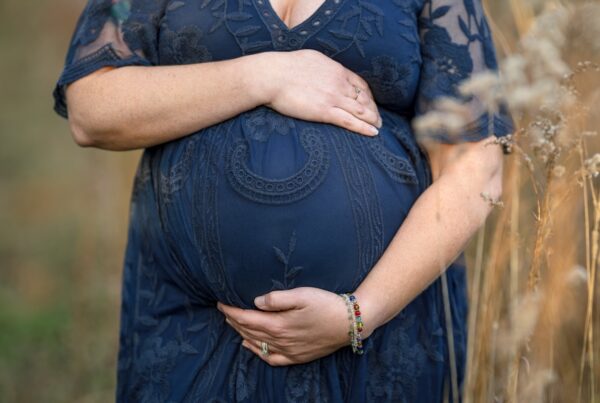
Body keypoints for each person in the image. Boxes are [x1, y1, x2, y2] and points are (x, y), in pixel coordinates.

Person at [52, 0, 514, 401]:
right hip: (195, 325)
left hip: (381, 331)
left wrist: (361, 312)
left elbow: (476, 166)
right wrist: (266, 75)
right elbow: (92, 109)